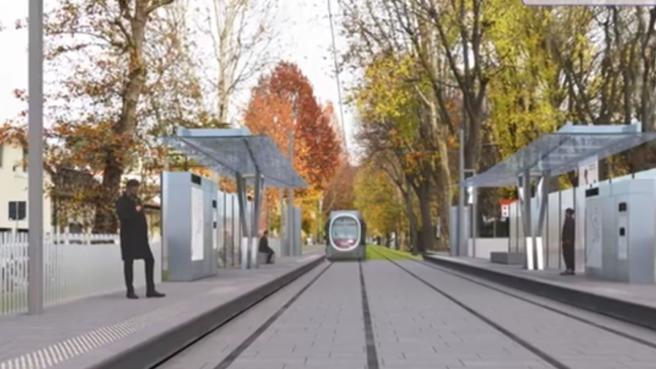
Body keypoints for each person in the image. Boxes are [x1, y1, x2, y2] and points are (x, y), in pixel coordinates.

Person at [116, 179, 165, 299]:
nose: (136, 191)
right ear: (128, 188)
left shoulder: (137, 200)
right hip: (128, 237)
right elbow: (123, 216)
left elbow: (141, 216)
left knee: (150, 260)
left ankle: (150, 289)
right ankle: (130, 290)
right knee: (129, 262)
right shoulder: (121, 201)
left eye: (137, 188)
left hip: (140, 238)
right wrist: (135, 210)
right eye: (134, 188)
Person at [561, 208, 576, 276]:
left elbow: (569, 231)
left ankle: (569, 269)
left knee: (568, 255)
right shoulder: (568, 220)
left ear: (569, 214)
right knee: (568, 255)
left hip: (568, 242)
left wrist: (567, 240)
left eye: (566, 213)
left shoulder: (570, 221)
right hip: (567, 241)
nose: (565, 214)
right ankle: (569, 269)